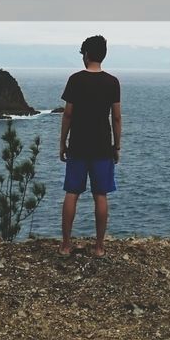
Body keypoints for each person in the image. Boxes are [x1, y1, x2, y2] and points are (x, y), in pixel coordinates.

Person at [58, 34, 121, 257]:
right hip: (103, 145)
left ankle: (65, 245)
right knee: (100, 195)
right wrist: (117, 146)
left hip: (78, 144)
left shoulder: (75, 80)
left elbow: (67, 114)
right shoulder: (112, 82)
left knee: (72, 193)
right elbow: (116, 118)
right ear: (103, 55)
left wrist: (62, 143)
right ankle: (100, 247)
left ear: (86, 54)